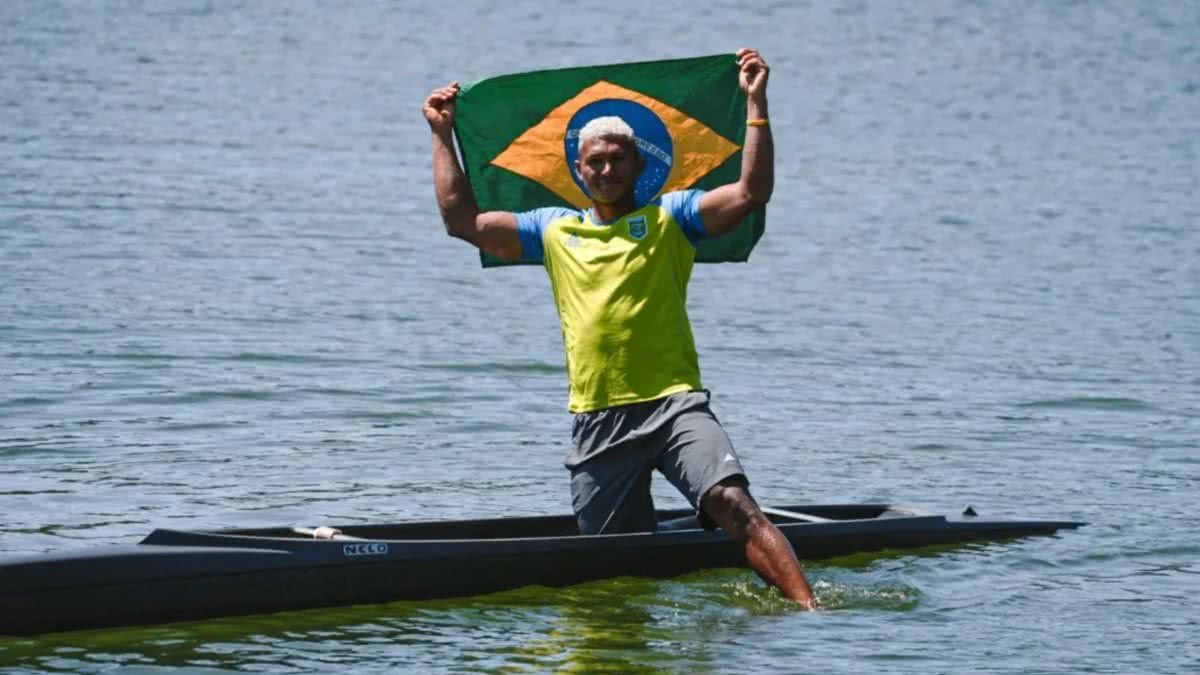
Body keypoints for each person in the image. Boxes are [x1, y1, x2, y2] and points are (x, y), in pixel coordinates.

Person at [423, 48, 816, 608]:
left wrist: (756, 104)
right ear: (578, 170)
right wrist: (441, 134)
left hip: (676, 407)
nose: (605, 170)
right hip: (598, 420)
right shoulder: (552, 231)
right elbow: (461, 221)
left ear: (637, 164)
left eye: (616, 159)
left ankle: (811, 613)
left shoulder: (672, 218)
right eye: (594, 162)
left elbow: (752, 192)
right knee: (616, 569)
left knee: (735, 504)